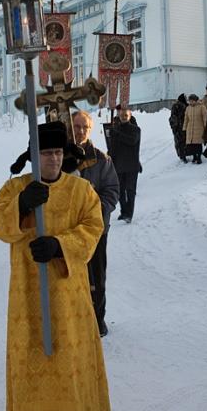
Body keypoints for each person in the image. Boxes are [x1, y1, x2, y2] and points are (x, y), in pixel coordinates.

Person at [0, 121, 111, 411]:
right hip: (28, 301)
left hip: (68, 298)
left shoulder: (80, 191)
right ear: (33, 156)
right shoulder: (16, 188)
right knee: (31, 367)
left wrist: (59, 245)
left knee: (69, 363)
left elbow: (93, 225)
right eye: (45, 153)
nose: (53, 159)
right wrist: (21, 207)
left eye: (57, 153)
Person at [72, 111, 120, 337]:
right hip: (68, 229)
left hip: (95, 230)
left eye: (84, 127)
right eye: (76, 126)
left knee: (96, 276)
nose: (80, 131)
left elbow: (112, 190)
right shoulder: (60, 158)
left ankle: (97, 319)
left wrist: (95, 212)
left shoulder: (101, 159)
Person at [109, 107, 141, 223]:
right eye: (121, 115)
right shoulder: (115, 130)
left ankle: (129, 214)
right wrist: (109, 161)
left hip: (131, 165)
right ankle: (123, 212)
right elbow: (112, 149)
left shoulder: (136, 129)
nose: (123, 117)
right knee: (120, 190)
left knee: (130, 190)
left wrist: (117, 135)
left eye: (125, 115)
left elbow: (132, 141)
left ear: (130, 115)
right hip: (119, 165)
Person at [183, 94, 207, 164]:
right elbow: (186, 119)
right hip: (190, 128)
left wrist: (206, 127)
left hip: (199, 128)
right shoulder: (188, 108)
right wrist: (184, 127)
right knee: (192, 145)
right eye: (190, 101)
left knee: (198, 144)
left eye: (192, 101)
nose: (191, 102)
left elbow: (205, 118)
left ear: (196, 100)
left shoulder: (202, 107)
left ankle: (199, 157)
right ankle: (194, 157)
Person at [169, 94, 188, 162]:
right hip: (180, 127)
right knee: (181, 142)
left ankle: (182, 155)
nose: (186, 99)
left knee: (181, 142)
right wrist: (176, 127)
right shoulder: (178, 106)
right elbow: (174, 118)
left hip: (180, 126)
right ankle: (183, 156)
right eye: (185, 98)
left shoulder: (182, 105)